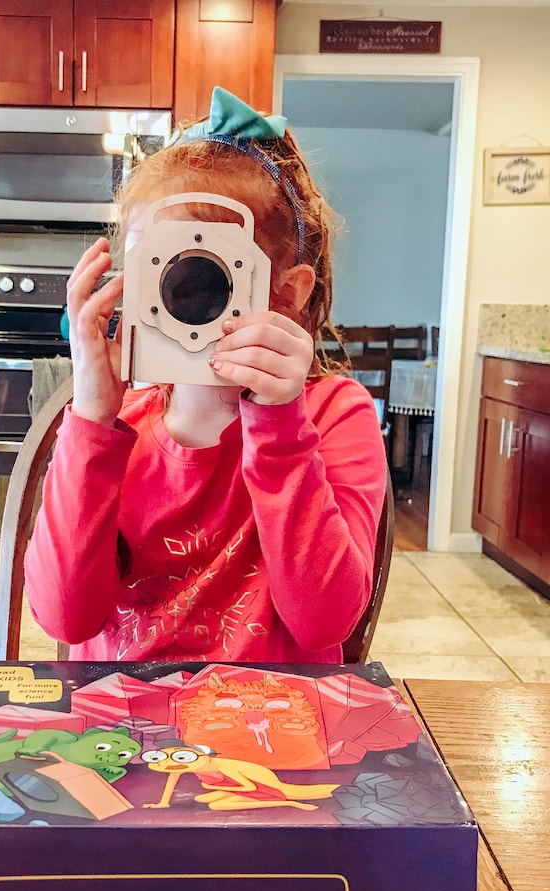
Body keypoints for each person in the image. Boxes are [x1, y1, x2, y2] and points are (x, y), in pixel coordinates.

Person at [24, 87, 388, 664]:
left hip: (270, 728)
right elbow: (65, 615)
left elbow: (324, 624)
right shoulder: (120, 425)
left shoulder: (332, 415)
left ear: (286, 294)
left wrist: (279, 427)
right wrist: (93, 418)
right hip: (123, 729)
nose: (186, 304)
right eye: (162, 276)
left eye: (206, 280)